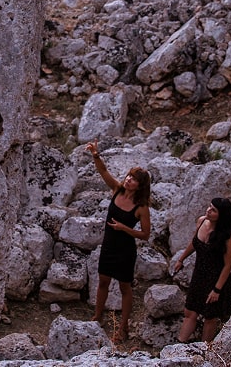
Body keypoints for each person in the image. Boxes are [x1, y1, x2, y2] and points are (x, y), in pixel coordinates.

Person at [87, 140, 151, 343]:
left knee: (125, 287)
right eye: (129, 175)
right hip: (108, 245)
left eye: (133, 179)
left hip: (125, 250)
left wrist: (125, 229)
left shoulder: (141, 207)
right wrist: (96, 154)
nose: (128, 179)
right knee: (103, 281)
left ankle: (122, 328)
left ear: (140, 186)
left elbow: (146, 235)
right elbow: (103, 171)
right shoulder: (117, 190)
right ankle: (98, 317)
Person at [172, 197, 231, 343]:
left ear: (222, 215)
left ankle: (205, 349)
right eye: (209, 206)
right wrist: (181, 259)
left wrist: (217, 290)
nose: (209, 210)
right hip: (199, 274)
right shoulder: (201, 221)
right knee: (190, 311)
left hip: (216, 279)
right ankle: (180, 344)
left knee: (209, 317)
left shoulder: (227, 238)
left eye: (213, 210)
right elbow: (194, 243)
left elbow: (228, 265)